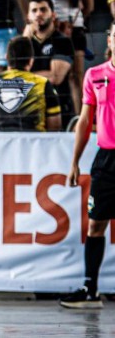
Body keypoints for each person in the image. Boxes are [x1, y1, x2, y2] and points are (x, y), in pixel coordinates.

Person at [60, 20, 115, 309]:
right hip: (106, 158)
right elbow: (84, 120)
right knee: (96, 224)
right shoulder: (95, 75)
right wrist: (74, 163)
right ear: (110, 40)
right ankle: (90, 290)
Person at [33, 0, 92, 116]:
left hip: (74, 28)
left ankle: (81, 117)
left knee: (76, 75)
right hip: (49, 30)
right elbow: (34, 2)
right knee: (52, 75)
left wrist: (71, 21)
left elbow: (89, 5)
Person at [0, 35, 62, 131]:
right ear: (31, 60)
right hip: (32, 144)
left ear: (6, 58)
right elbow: (55, 126)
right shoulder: (43, 84)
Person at [23, 0, 76, 126]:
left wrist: (22, 76)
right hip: (30, 110)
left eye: (43, 10)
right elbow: (12, 75)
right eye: (34, 11)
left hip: (58, 109)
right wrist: (24, 40)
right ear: (28, 17)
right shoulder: (24, 42)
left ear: (53, 15)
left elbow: (55, 77)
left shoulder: (63, 41)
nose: (38, 14)